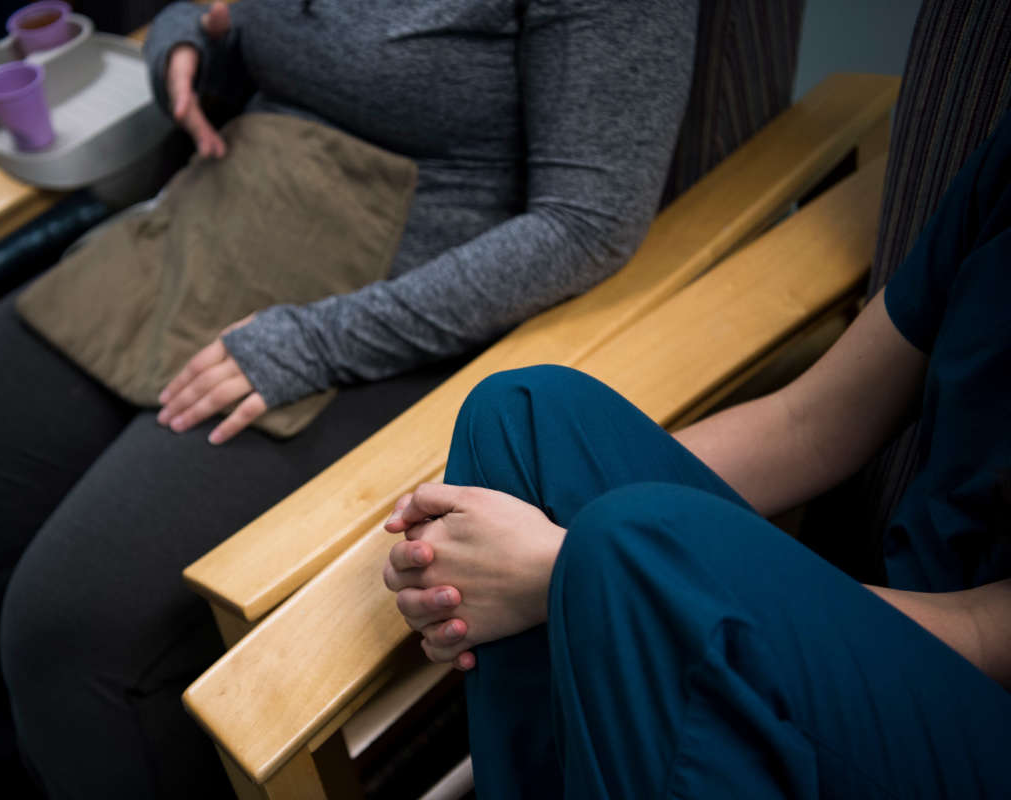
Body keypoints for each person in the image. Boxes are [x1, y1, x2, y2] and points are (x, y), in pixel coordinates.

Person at [0, 0, 700, 796]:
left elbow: (588, 224)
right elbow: (246, 23)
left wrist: (319, 341)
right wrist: (194, 40)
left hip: (406, 287)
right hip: (235, 205)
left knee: (73, 633)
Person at [383, 109, 1011, 797]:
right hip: (886, 613)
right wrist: (491, 541)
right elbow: (813, 421)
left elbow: (986, 636)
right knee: (520, 420)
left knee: (627, 541)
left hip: (974, 691)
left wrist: (579, 565)